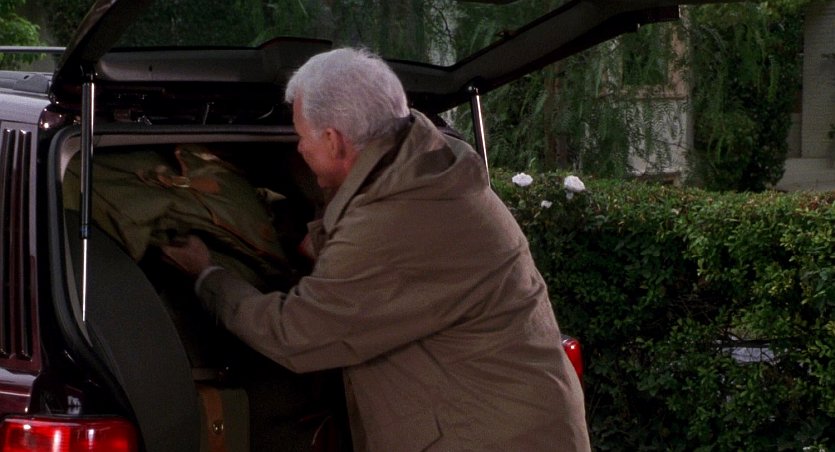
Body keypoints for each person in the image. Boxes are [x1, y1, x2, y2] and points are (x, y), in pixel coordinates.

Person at [162, 47, 590, 451]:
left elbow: (294, 336)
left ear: (334, 141)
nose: (299, 148)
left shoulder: (397, 219)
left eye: (301, 136)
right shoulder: (432, 164)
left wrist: (208, 277)